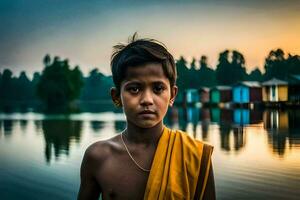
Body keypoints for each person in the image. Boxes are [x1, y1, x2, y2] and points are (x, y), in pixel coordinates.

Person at [77, 34, 215, 200]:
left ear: (172, 95)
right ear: (116, 96)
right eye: (134, 89)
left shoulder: (194, 156)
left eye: (158, 88)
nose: (147, 100)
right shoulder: (98, 157)